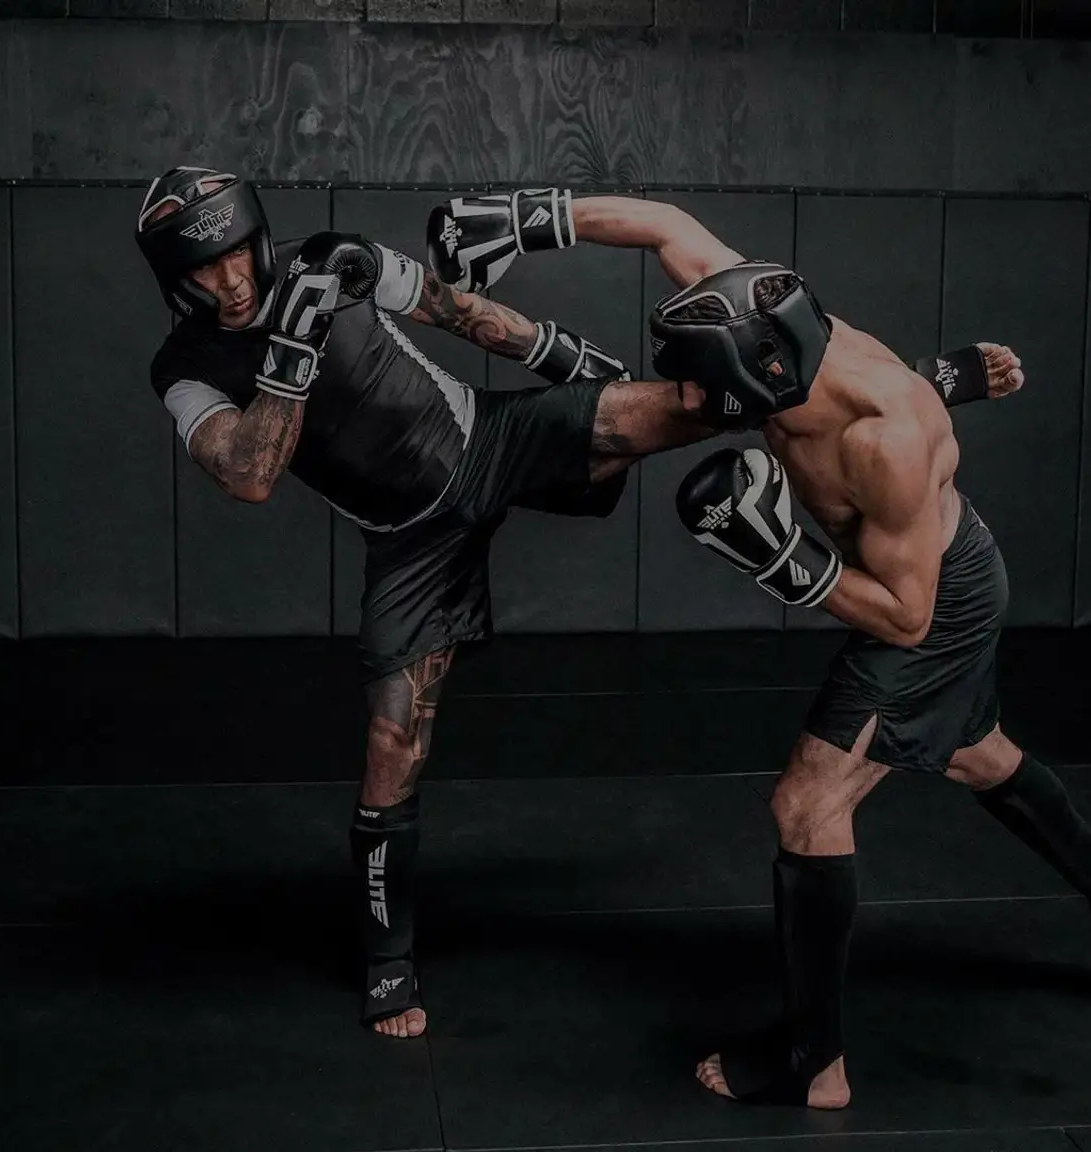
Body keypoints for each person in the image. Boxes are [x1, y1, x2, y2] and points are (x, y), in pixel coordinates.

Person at [428, 191, 1091, 1108]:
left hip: (932, 601)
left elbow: (904, 619)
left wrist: (786, 563)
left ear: (765, 374)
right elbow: (663, 224)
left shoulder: (885, 441)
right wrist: (528, 218)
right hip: (915, 569)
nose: (689, 401)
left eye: (705, 388)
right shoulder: (759, 315)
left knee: (808, 806)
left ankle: (814, 1062)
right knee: (976, 754)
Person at [137, 168, 721, 1040]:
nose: (227, 282)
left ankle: (909, 388)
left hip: (492, 440)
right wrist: (292, 350)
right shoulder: (182, 369)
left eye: (234, 257)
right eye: (202, 271)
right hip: (411, 543)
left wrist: (563, 360)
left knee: (701, 403)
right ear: (173, 281)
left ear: (256, 238)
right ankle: (387, 961)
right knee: (390, 742)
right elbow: (249, 473)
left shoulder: (330, 263)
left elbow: (459, 311)